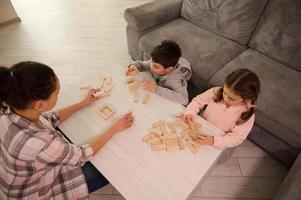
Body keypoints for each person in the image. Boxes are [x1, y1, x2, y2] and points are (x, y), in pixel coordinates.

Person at [0, 61, 134, 199]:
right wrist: (115, 127)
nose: (58, 94)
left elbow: (51, 118)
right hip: (35, 193)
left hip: (16, 182)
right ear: (39, 104)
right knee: (106, 170)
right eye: (57, 92)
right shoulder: (40, 143)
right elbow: (83, 154)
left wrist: (81, 104)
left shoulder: (10, 111)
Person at [182, 68, 260, 149]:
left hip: (218, 141)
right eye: (224, 93)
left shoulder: (247, 115)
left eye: (231, 98)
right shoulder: (216, 91)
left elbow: (237, 138)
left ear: (246, 98)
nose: (225, 98)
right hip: (200, 127)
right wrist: (190, 112)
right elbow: (198, 101)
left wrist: (213, 141)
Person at [125, 40, 192, 105]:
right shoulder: (157, 63)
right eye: (151, 61)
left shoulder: (175, 80)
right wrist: (135, 67)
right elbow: (144, 65)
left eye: (156, 67)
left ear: (168, 69)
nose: (151, 66)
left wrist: (156, 89)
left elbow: (184, 99)